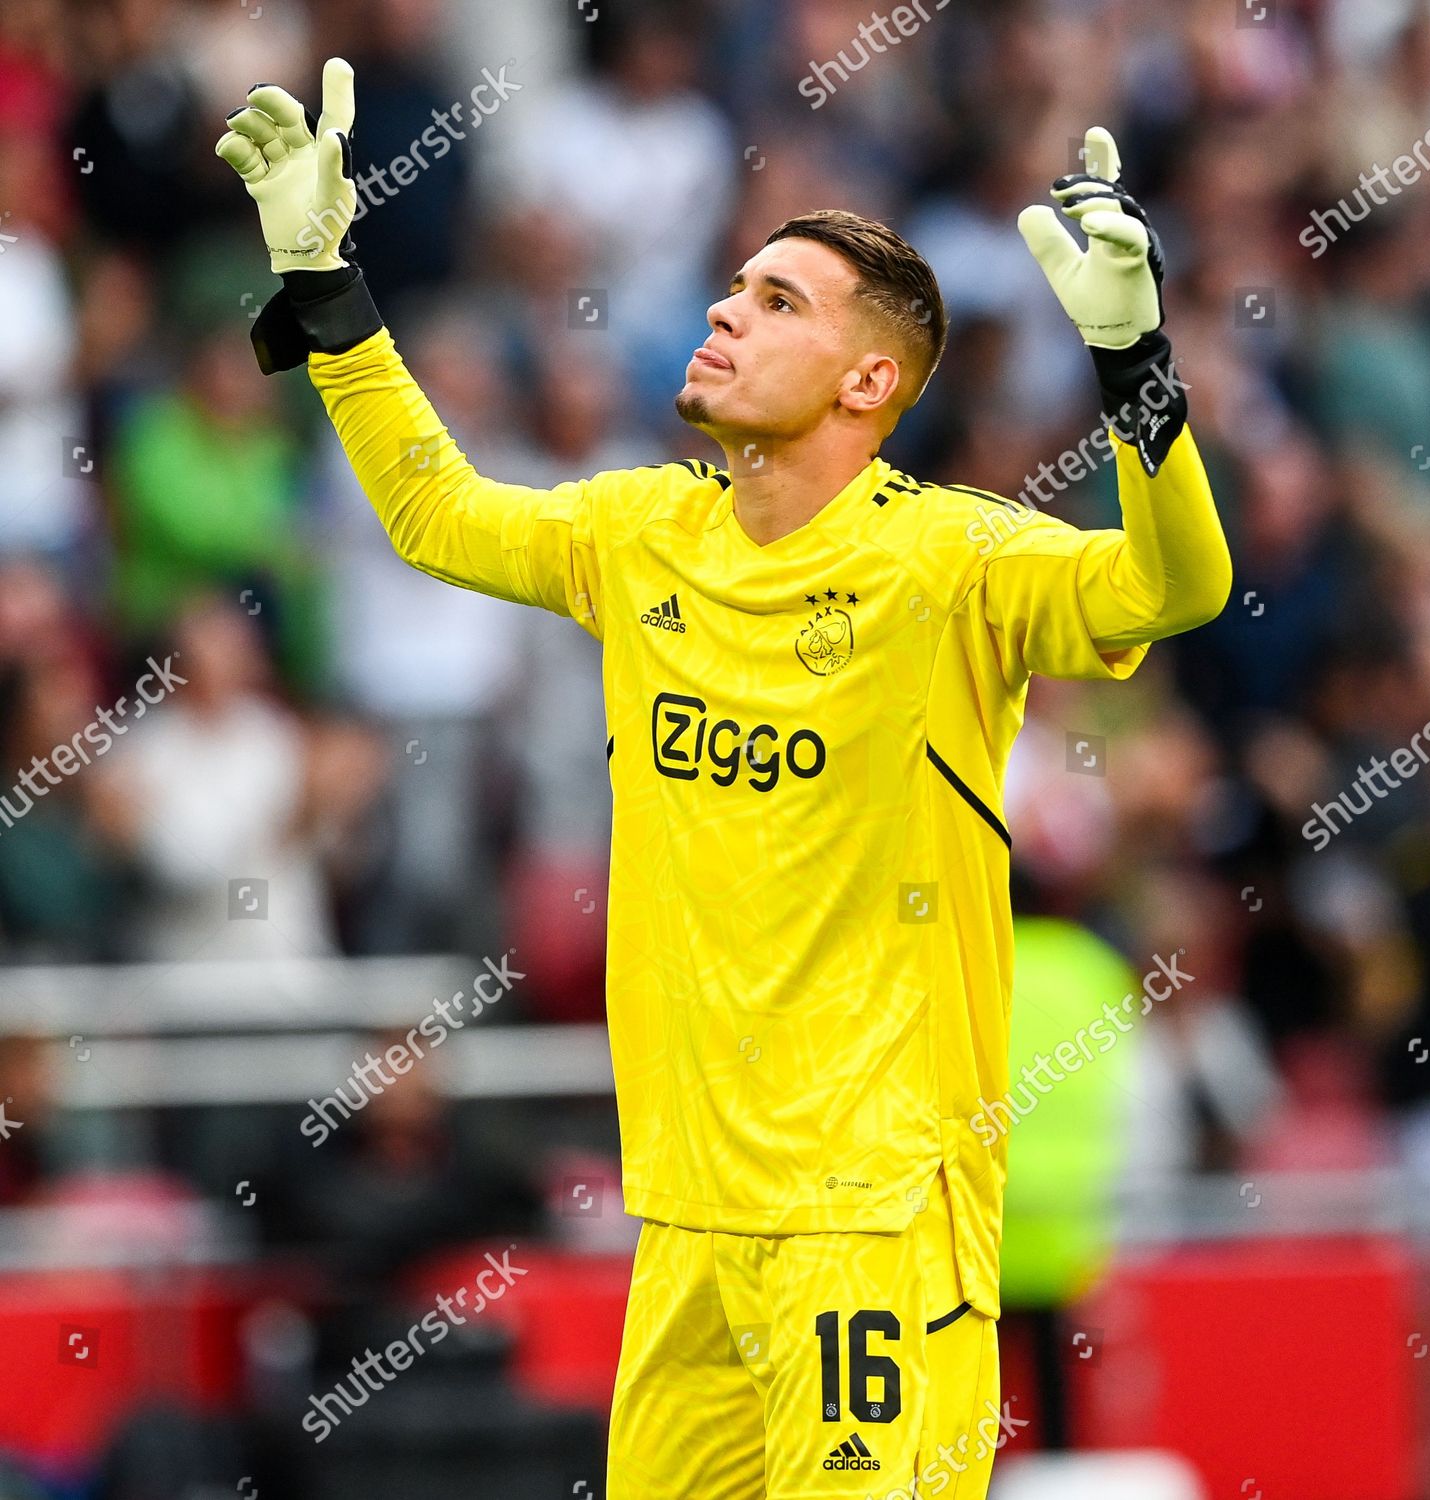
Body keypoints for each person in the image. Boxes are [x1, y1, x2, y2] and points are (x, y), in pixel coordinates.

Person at [213, 60, 1231, 1500]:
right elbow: (438, 515)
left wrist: (1136, 363)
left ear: (868, 381)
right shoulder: (644, 536)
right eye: (734, 284)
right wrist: (326, 279)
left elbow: (1178, 586)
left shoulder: (950, 563)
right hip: (690, 1218)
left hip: (872, 1216)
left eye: (777, 303)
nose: (722, 310)